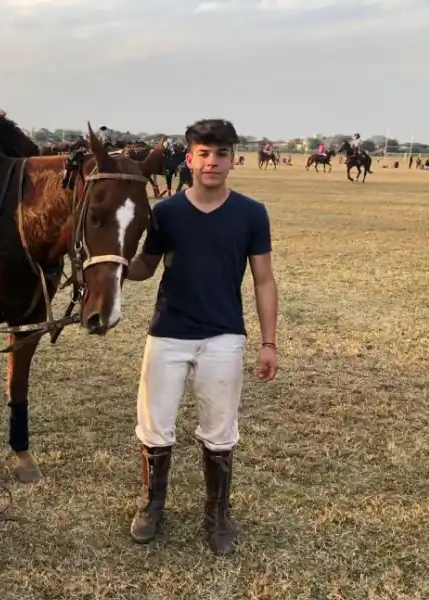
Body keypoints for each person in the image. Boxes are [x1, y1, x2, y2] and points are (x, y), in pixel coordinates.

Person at [124, 118, 279, 556]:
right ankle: (153, 504)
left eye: (222, 154)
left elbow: (263, 281)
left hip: (223, 335)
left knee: (220, 430)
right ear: (189, 158)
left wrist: (269, 343)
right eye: (204, 154)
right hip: (169, 332)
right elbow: (144, 267)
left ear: (232, 159)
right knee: (155, 426)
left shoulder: (251, 213)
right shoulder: (167, 211)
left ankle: (217, 512)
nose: (213, 162)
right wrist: (111, 268)